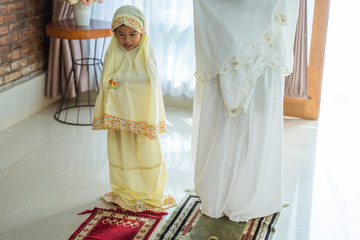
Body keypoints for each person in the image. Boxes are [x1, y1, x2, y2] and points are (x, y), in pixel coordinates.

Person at [192, 0, 300, 221]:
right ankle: (226, 190)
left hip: (261, 30)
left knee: (253, 118)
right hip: (229, 23)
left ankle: (243, 190)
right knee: (225, 117)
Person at [92, 5, 176, 212]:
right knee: (121, 151)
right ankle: (124, 190)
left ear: (142, 32)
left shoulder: (146, 54)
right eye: (120, 35)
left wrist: (121, 81)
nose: (126, 40)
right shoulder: (113, 52)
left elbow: (150, 83)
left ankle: (148, 191)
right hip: (118, 115)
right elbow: (106, 81)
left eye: (132, 34)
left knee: (144, 152)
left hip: (141, 116)